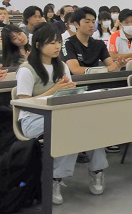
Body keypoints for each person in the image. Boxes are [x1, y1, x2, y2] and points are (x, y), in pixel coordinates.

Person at [16, 23, 108, 205]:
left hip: (60, 115)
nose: (57, 46)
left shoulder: (62, 66)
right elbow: (23, 104)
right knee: (69, 129)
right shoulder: (27, 70)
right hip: (32, 120)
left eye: (59, 42)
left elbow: (67, 96)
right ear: (38, 45)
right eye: (51, 43)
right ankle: (54, 179)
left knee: (92, 123)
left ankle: (97, 170)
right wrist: (54, 90)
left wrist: (70, 91)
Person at [61, 6, 126, 75]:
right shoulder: (68, 43)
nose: (91, 25)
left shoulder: (99, 44)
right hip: (77, 83)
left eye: (93, 22)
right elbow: (76, 70)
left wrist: (118, 66)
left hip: (97, 81)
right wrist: (106, 69)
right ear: (76, 24)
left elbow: (111, 66)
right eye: (87, 22)